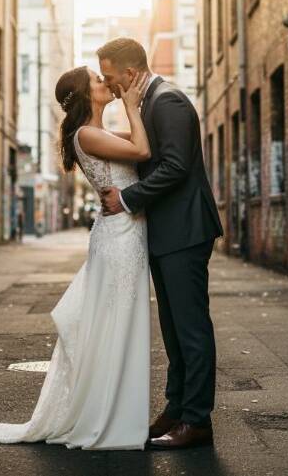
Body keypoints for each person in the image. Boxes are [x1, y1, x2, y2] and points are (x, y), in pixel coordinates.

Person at [0, 65, 153, 450]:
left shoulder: (96, 132)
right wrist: (133, 105)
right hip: (119, 241)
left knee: (118, 325)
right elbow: (142, 150)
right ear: (86, 95)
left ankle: (115, 411)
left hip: (123, 235)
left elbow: (139, 147)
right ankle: (109, 418)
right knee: (116, 324)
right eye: (97, 80)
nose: (105, 82)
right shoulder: (87, 134)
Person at [99, 38, 224, 449]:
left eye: (112, 78)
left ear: (131, 74)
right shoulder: (149, 102)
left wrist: (127, 199)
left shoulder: (168, 102)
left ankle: (197, 420)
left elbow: (174, 166)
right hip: (168, 233)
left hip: (185, 232)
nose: (109, 85)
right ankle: (176, 410)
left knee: (190, 329)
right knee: (173, 330)